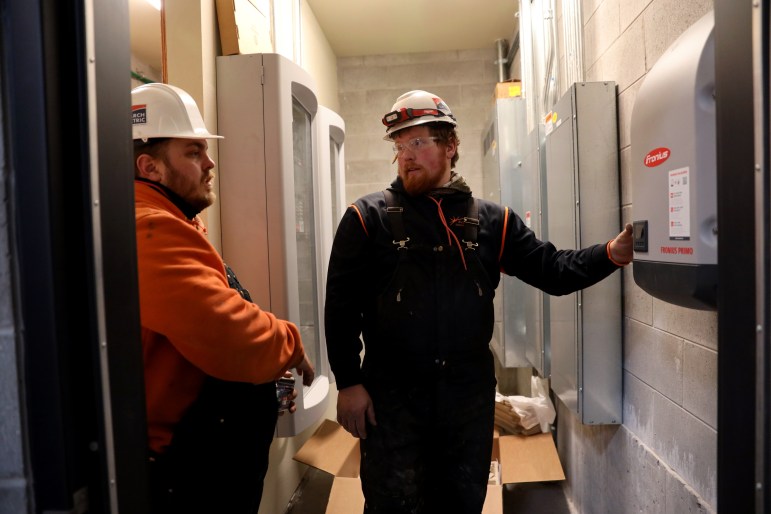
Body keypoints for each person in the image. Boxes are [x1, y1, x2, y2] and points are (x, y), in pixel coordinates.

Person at [324, 90, 633, 514]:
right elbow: (340, 307)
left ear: (450, 145)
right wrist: (348, 382)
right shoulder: (366, 218)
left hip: (465, 403)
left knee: (462, 504)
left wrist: (610, 254)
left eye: (417, 143)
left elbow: (553, 270)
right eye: (399, 146)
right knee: (392, 505)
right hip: (393, 401)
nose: (406, 156)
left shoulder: (492, 222)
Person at [131, 82, 315, 514]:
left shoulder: (171, 221)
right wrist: (288, 341)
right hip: (181, 470)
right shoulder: (148, 230)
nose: (210, 163)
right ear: (151, 167)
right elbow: (231, 333)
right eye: (193, 153)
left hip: (199, 458)